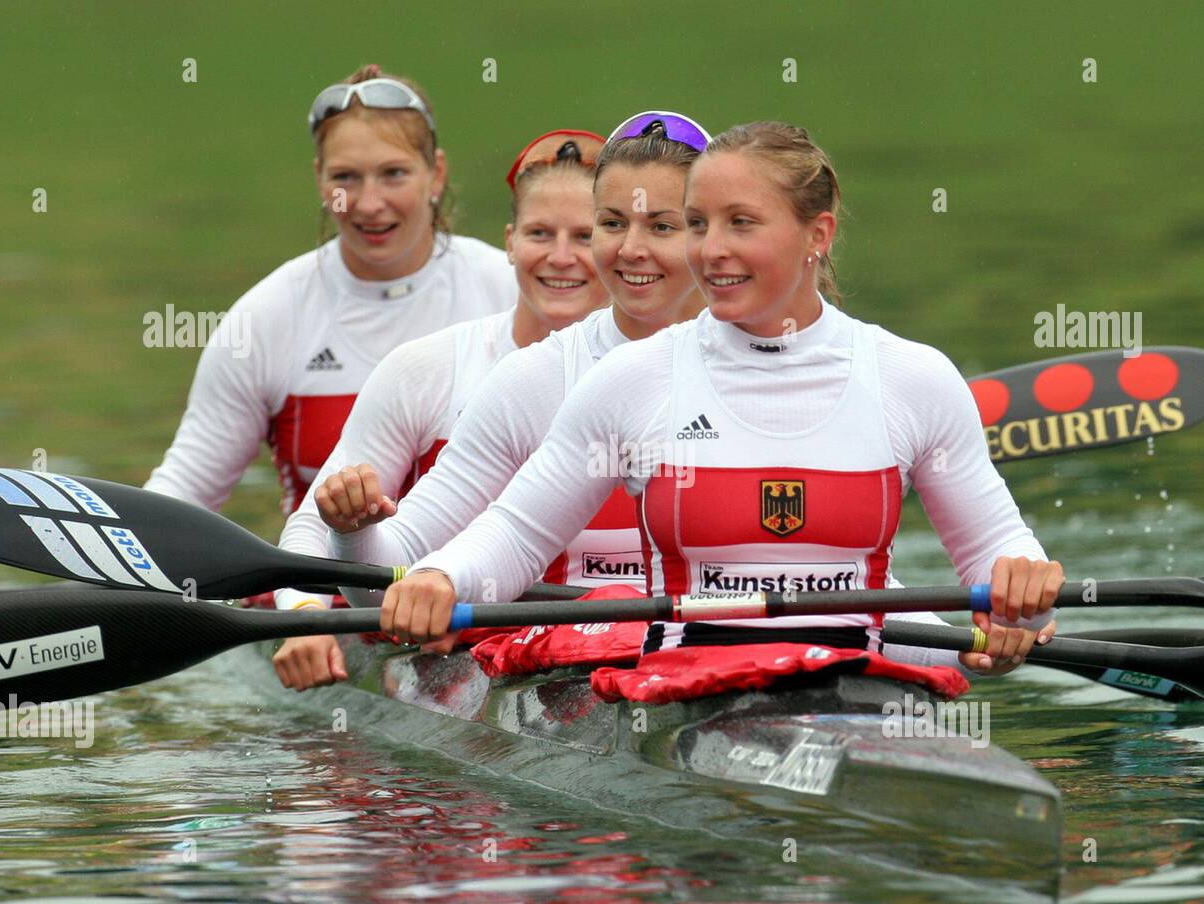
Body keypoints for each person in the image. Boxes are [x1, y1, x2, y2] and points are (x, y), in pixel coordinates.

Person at [375, 121, 1064, 676]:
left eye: (741, 223)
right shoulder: (633, 380)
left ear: (816, 237)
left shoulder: (914, 378)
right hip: (684, 698)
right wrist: (439, 578)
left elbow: (1001, 562)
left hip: (861, 690)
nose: (712, 251)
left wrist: (1018, 611)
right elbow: (518, 536)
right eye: (700, 223)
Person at [278, 112, 712, 690]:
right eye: (609, 224)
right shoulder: (530, 378)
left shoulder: (797, 362)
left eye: (662, 226)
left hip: (728, 648)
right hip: (567, 661)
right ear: (511, 243)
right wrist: (355, 547)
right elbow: (397, 570)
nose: (628, 249)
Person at [145, 65, 516, 517]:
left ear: (435, 174)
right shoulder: (267, 317)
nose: (368, 203)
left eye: (394, 173)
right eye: (345, 178)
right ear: (320, 179)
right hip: (312, 587)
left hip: (476, 584)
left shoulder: (510, 291)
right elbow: (186, 488)